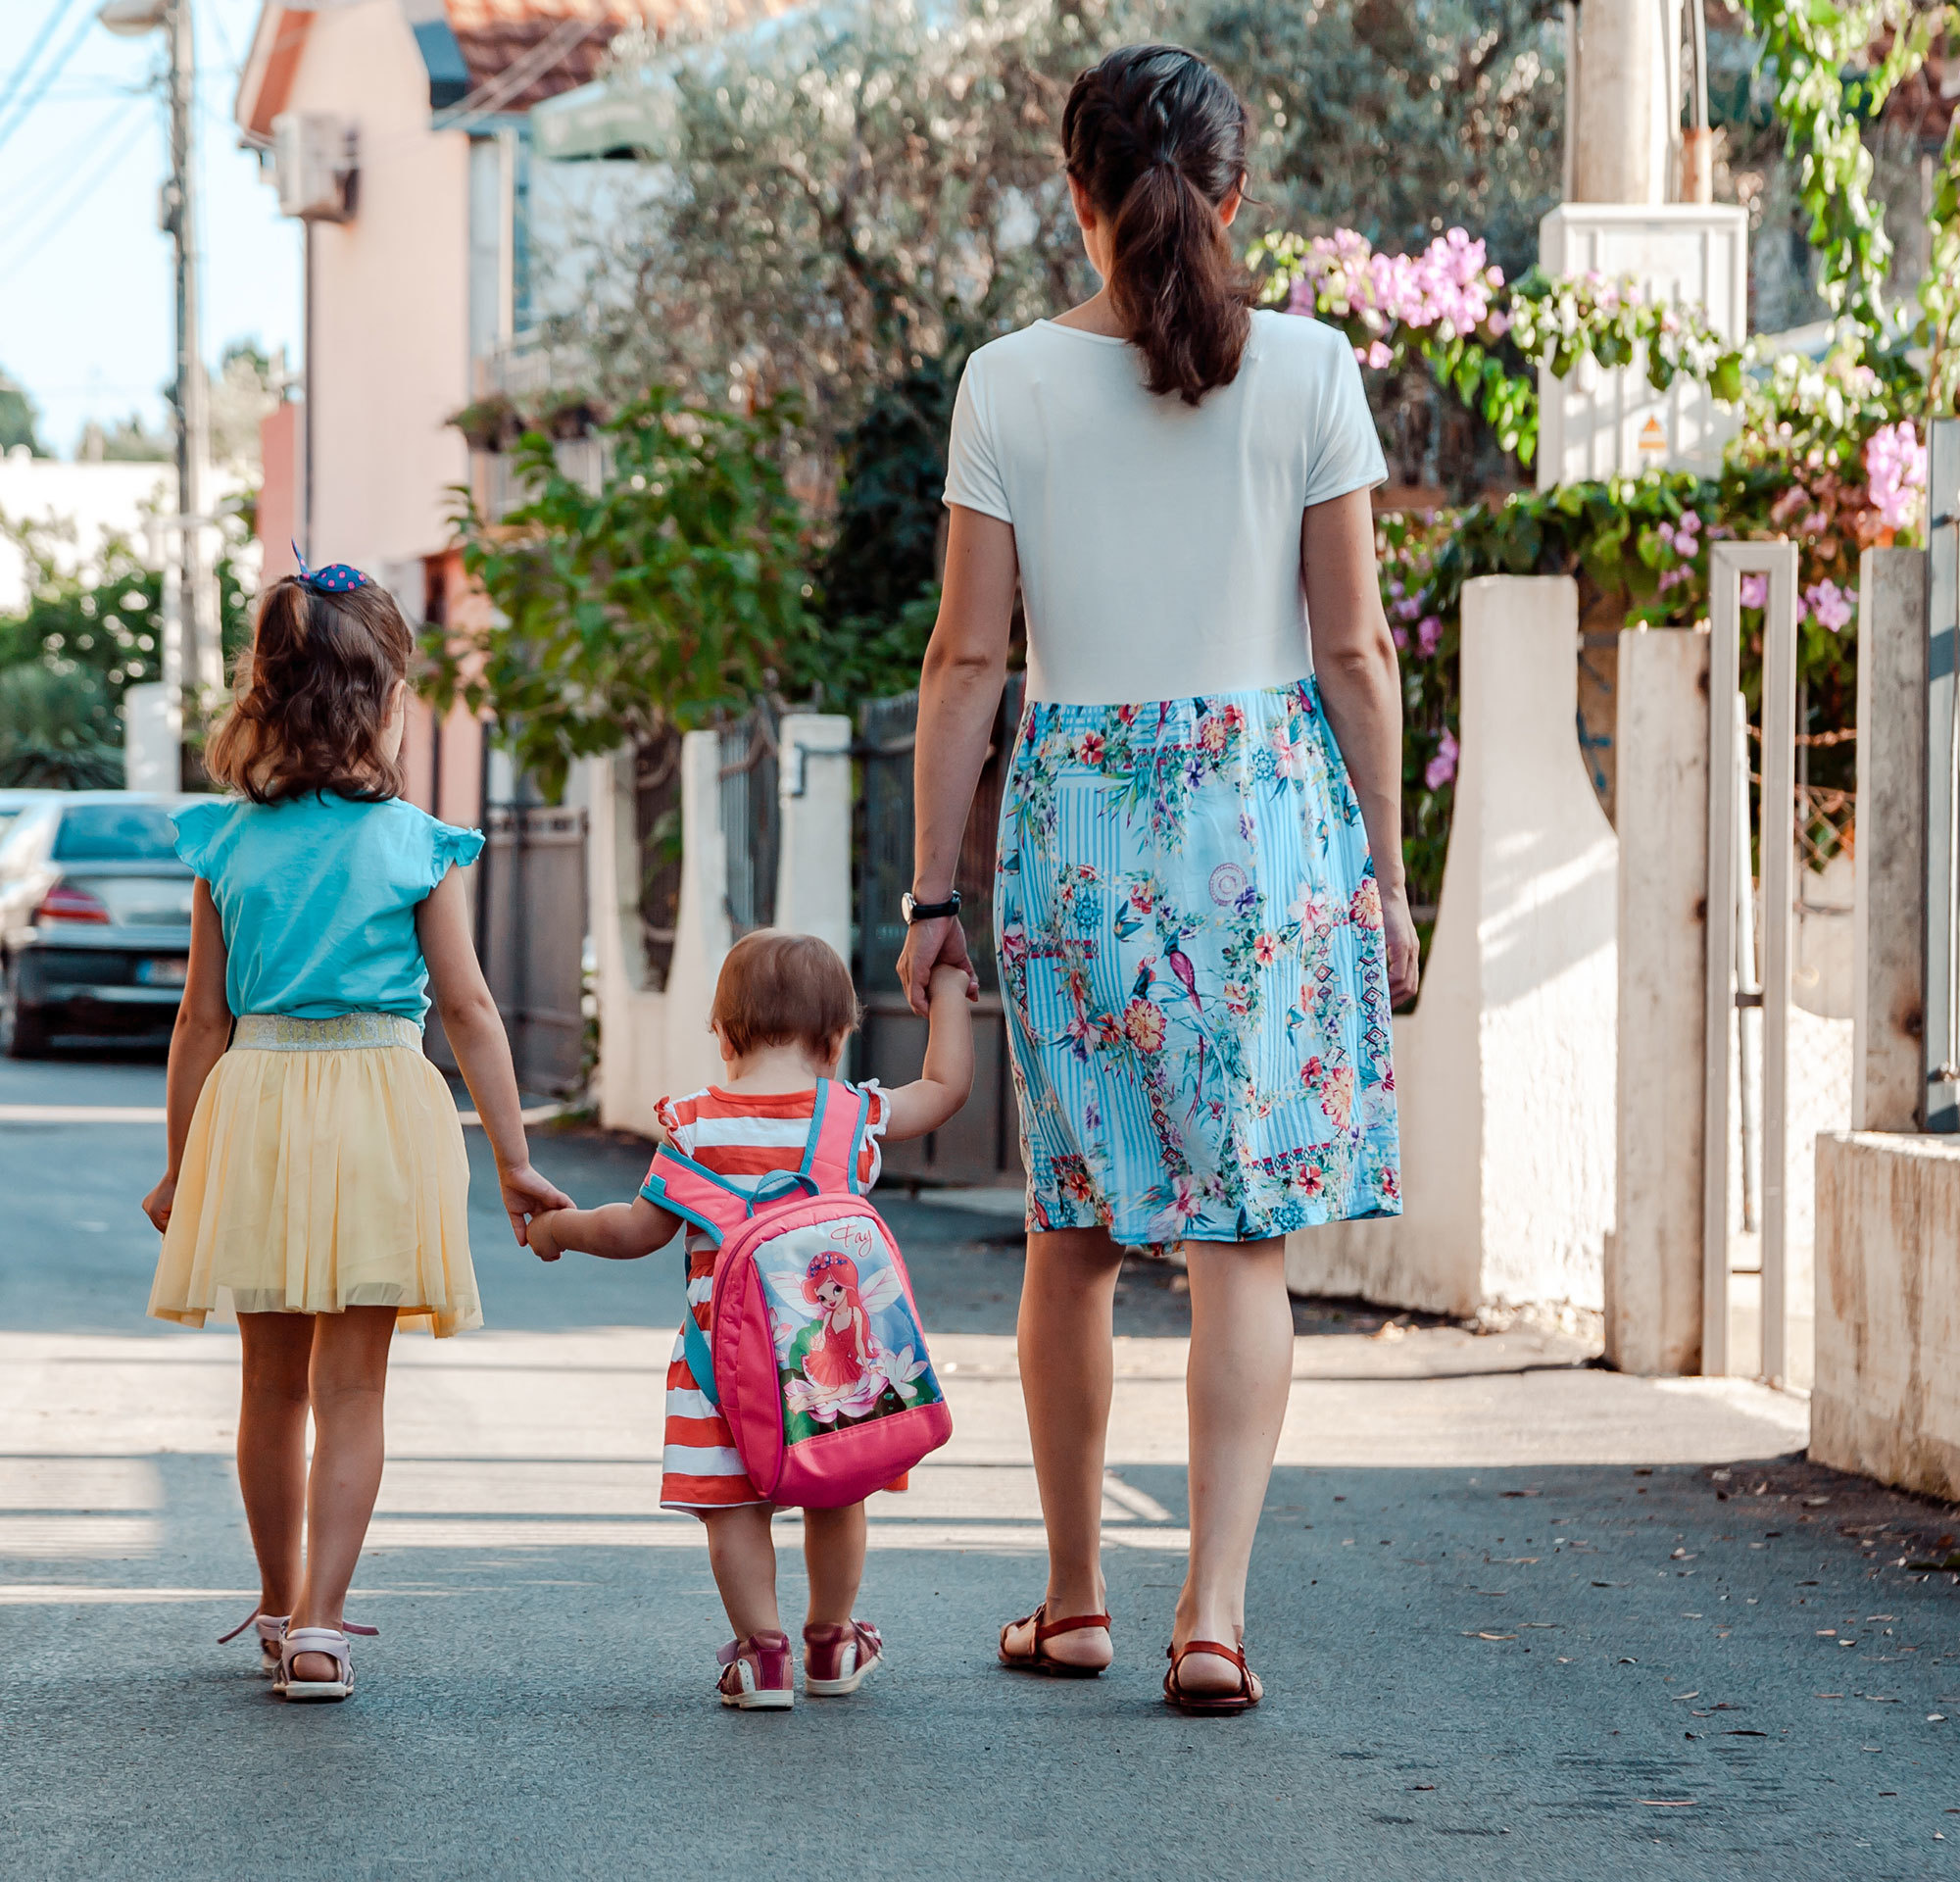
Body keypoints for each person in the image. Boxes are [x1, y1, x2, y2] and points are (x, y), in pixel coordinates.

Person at [895, 44, 1418, 1715]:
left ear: (1078, 195)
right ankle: (1213, 1617)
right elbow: (1352, 648)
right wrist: (1393, 877)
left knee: (1078, 1227)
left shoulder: (1007, 384)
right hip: (1264, 825)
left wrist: (928, 900)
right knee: (1242, 1239)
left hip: (1083, 823)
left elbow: (967, 661)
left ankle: (1072, 1600)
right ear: (1237, 191)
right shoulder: (1316, 371)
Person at [142, 559, 571, 1704]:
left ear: (262, 695)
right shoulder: (415, 845)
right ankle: (325, 1626)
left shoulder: (223, 844)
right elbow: (471, 1010)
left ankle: (280, 1605)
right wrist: (517, 1160)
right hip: (383, 1104)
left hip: (261, 1102)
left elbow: (201, 1019)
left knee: (269, 1388)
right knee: (356, 1393)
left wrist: (182, 1166)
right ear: (384, 698)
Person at [524, 929, 973, 1709]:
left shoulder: (695, 1127)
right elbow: (944, 1088)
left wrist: (557, 1230)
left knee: (732, 1506)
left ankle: (762, 1655)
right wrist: (948, 998)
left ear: (723, 1035)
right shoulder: (849, 1118)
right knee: (837, 1495)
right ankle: (830, 1641)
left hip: (718, 1366)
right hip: (828, 1367)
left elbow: (633, 1232)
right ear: (837, 1039)